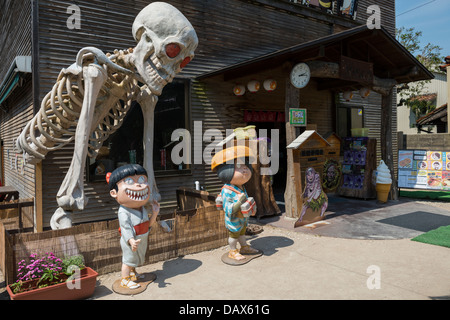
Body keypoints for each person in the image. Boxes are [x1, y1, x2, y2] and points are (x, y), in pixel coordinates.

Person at [107, 164, 159, 289]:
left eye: (142, 180)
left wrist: (155, 213)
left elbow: (148, 225)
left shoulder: (142, 209)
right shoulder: (123, 211)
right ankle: (125, 280)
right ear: (114, 193)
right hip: (131, 240)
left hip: (142, 237)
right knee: (128, 260)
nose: (138, 185)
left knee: (136, 259)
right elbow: (125, 228)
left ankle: (133, 273)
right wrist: (131, 240)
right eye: (129, 181)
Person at [212, 146, 258, 261]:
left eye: (246, 166)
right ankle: (232, 250)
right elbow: (229, 209)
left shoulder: (241, 187)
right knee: (234, 235)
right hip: (233, 220)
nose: (244, 169)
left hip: (242, 219)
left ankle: (244, 247)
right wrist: (240, 201)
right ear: (226, 171)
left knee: (242, 233)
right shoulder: (227, 190)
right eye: (239, 166)